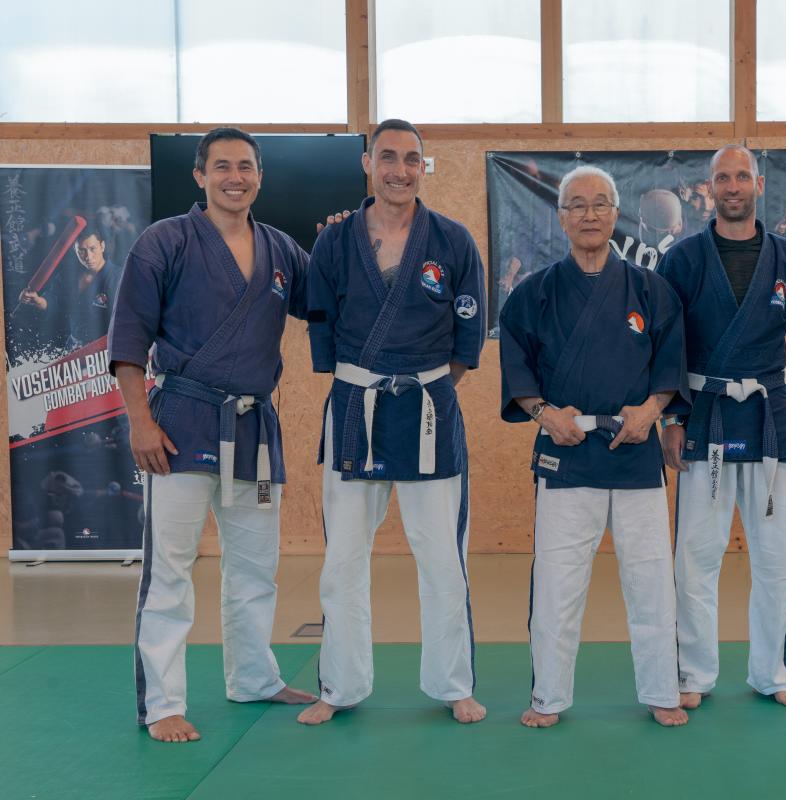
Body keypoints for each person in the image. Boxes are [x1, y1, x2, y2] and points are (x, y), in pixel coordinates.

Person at [109, 127, 316, 743]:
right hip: (180, 423)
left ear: (260, 177)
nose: (235, 177)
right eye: (222, 166)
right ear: (200, 175)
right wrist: (140, 421)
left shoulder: (281, 250)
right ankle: (162, 704)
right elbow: (129, 340)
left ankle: (253, 677)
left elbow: (327, 301)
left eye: (245, 166)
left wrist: (342, 241)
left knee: (255, 568)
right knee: (170, 571)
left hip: (253, 428)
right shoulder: (164, 241)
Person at [298, 119, 487, 726]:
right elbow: (323, 327)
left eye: (411, 159)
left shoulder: (453, 241)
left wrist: (423, 388)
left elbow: (467, 339)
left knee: (443, 557)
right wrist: (367, 383)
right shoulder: (334, 242)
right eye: (387, 157)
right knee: (343, 559)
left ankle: (454, 684)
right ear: (367, 163)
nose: (399, 170)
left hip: (428, 407)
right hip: (356, 406)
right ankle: (339, 686)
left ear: (422, 166)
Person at [499, 165, 689, 728]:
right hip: (566, 451)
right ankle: (548, 697)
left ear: (616, 214)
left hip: (635, 452)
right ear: (561, 217)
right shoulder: (533, 292)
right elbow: (518, 369)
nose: (589, 214)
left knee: (651, 581)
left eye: (600, 204)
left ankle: (662, 691)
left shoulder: (651, 289)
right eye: (577, 205)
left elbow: (670, 365)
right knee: (557, 584)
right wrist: (543, 413)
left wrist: (651, 411)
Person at [657, 145, 786, 710]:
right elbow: (665, 345)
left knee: (778, 556)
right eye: (722, 177)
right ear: (709, 188)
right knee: (696, 556)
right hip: (704, 415)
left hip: (767, 418)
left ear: (758, 184)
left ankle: (772, 671)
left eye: (741, 176)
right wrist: (672, 416)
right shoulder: (683, 259)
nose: (732, 186)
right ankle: (694, 673)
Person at [21, 227, 123, 348]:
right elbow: (53, 299)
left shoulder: (120, 278)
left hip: (105, 349)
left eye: (92, 249)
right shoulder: (69, 276)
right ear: (75, 250)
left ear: (102, 246)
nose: (88, 257)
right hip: (73, 347)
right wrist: (38, 300)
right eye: (82, 250)